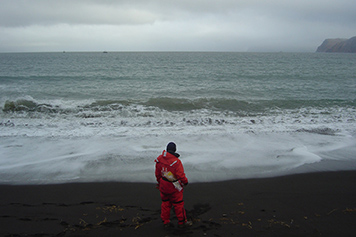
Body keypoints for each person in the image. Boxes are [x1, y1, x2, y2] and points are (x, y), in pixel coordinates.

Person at [155, 142, 191, 228]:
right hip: (173, 185)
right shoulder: (176, 162)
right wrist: (185, 182)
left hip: (163, 184)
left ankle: (166, 222)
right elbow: (181, 175)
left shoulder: (159, 159)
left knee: (165, 204)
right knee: (178, 204)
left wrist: (159, 183)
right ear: (174, 150)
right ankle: (182, 222)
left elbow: (157, 173)